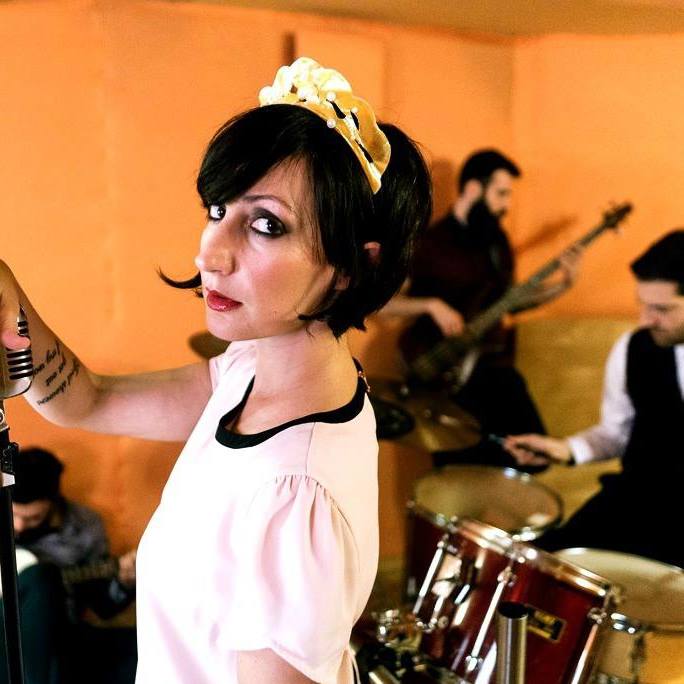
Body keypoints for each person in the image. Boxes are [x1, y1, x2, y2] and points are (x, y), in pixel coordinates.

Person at [0, 57, 432, 683]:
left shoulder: (293, 495)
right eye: (217, 210)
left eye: (266, 225)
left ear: (351, 268)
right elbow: (88, 400)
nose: (210, 252)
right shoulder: (251, 370)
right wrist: (7, 292)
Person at [382, 149, 581, 468]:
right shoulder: (429, 243)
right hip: (445, 379)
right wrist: (431, 305)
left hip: (493, 370)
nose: (506, 205)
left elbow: (511, 301)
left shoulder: (496, 243)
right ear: (474, 188)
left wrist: (563, 285)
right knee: (460, 472)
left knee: (534, 456)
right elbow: (384, 305)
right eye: (501, 193)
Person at [505, 230, 684, 569]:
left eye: (661, 308)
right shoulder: (633, 348)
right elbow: (616, 433)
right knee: (540, 565)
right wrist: (565, 449)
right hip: (635, 498)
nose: (646, 319)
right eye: (643, 305)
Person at [1, 447, 137, 684]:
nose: (19, 526)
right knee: (41, 577)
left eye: (32, 518)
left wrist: (124, 582)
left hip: (63, 631)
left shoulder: (85, 526)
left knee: (142, 646)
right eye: (14, 515)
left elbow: (102, 606)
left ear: (52, 500)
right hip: (6, 635)